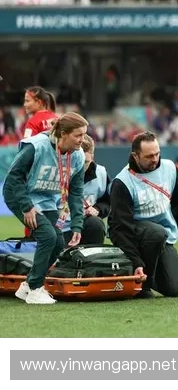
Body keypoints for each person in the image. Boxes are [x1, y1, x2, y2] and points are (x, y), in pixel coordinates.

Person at [2, 112, 88, 304]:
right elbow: (14, 177)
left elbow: (76, 192)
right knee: (48, 236)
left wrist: (77, 224)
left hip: (46, 198)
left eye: (84, 135)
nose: (82, 140)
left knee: (58, 242)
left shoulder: (78, 156)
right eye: (78, 135)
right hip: (19, 194)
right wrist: (26, 206)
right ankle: (35, 289)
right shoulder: (37, 146)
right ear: (64, 133)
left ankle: (27, 286)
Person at [107, 131, 178, 299]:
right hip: (133, 234)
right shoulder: (122, 182)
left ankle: (150, 272)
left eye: (157, 154)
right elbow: (120, 227)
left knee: (174, 289)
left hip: (161, 236)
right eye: (149, 156)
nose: (155, 159)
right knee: (156, 232)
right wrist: (136, 261)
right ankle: (142, 284)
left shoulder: (170, 169)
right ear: (135, 156)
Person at [59, 134, 111, 246]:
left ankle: (93, 256)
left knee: (96, 224)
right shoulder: (57, 171)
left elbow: (108, 201)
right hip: (60, 227)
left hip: (85, 224)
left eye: (86, 162)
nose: (81, 167)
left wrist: (97, 209)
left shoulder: (101, 173)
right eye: (78, 161)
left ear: (92, 157)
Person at [22, 86, 59, 237]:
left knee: (32, 216)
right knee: (54, 219)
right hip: (56, 177)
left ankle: (30, 245)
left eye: (27, 101)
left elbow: (26, 149)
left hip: (37, 176)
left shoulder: (33, 122)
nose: (24, 104)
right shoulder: (57, 118)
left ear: (38, 102)